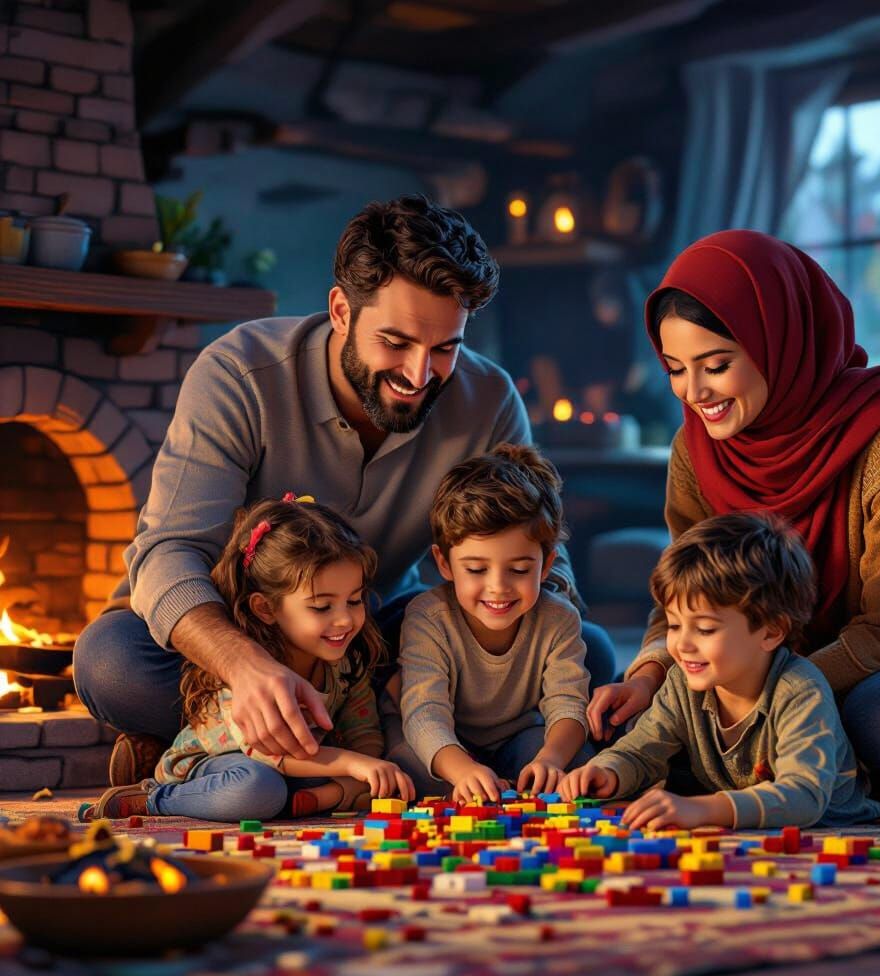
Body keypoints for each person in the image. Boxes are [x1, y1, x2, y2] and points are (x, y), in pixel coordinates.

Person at [72, 194, 616, 785]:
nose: (418, 375)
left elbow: (541, 554)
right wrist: (244, 665)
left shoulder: (489, 399)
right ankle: (272, 739)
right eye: (396, 342)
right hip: (238, 634)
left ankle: (233, 754)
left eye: (444, 348)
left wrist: (531, 631)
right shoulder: (238, 374)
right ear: (340, 311)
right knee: (112, 663)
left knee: (587, 647)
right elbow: (168, 552)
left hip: (373, 631)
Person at [587, 229, 880, 809]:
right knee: (632, 731)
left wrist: (774, 693)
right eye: (675, 369)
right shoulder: (695, 447)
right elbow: (688, 593)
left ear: (778, 343)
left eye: (715, 365)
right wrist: (647, 675)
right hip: (755, 660)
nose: (693, 393)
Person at [83, 496, 414, 822]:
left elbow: (363, 731)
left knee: (360, 775)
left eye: (354, 601)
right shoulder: (249, 670)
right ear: (266, 608)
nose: (345, 620)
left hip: (300, 769)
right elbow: (268, 754)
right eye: (321, 607)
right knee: (258, 788)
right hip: (224, 765)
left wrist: (371, 767)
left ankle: (317, 798)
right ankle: (155, 797)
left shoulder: (346, 664)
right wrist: (352, 766)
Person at [561, 513, 880, 830]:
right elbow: (641, 751)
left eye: (705, 629)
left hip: (825, 826)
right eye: (674, 625)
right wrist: (608, 770)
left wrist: (703, 809)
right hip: (735, 807)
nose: (682, 645)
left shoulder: (799, 689)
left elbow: (804, 796)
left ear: (771, 631)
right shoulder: (682, 683)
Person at [390, 444, 594, 802]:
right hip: (443, 741)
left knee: (576, 763)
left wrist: (550, 759)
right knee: (409, 771)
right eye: (476, 569)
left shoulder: (559, 618)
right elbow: (425, 713)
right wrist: (463, 770)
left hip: (517, 736)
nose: (498, 587)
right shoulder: (428, 617)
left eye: (519, 570)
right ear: (444, 563)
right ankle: (483, 779)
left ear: (546, 566)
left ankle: (508, 778)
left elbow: (568, 704)